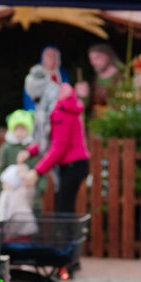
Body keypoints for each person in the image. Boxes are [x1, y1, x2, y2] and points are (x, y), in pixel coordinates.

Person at [23, 83, 90, 214]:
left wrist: (37, 171)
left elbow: (59, 147)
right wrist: (30, 151)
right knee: (64, 209)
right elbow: (51, 140)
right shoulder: (59, 108)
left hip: (73, 165)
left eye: (36, 98)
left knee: (63, 211)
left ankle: (69, 235)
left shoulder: (60, 111)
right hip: (74, 164)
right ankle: (69, 234)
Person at [0, 109, 47, 210]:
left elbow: (40, 170)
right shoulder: (6, 148)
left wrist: (39, 189)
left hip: (29, 191)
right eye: (17, 129)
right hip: (10, 190)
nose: (20, 133)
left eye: (23, 129)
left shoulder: (33, 149)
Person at [81, 43, 123, 115]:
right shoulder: (95, 77)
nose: (93, 62)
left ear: (107, 56)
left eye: (97, 58)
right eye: (91, 59)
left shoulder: (119, 77)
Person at [24, 46, 68, 110]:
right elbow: (29, 104)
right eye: (48, 55)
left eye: (54, 55)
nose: (51, 57)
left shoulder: (63, 75)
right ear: (42, 58)